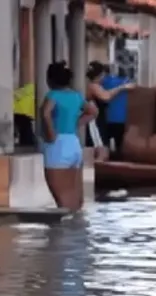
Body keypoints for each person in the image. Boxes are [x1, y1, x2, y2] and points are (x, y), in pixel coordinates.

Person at [41, 62, 98, 211]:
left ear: (50, 80)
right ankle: (77, 231)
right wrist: (75, 123)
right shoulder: (76, 96)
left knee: (62, 200)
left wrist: (51, 133)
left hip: (58, 146)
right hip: (74, 144)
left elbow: (46, 113)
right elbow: (93, 112)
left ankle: (64, 232)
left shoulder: (52, 95)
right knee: (75, 199)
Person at [86, 61, 134, 157]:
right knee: (99, 150)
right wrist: (122, 87)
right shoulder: (93, 86)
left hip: (101, 121)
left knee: (103, 149)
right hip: (95, 122)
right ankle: (93, 171)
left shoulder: (99, 86)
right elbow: (106, 96)